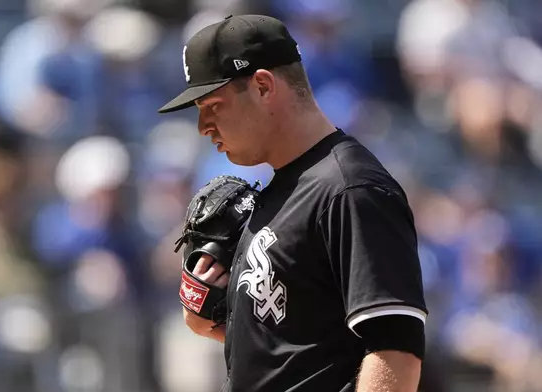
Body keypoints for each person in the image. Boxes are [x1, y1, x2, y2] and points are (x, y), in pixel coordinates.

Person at [158, 14, 428, 392]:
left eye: (213, 105)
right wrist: (219, 324)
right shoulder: (281, 191)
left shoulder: (350, 189)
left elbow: (396, 350)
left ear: (264, 86)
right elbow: (297, 348)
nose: (203, 126)